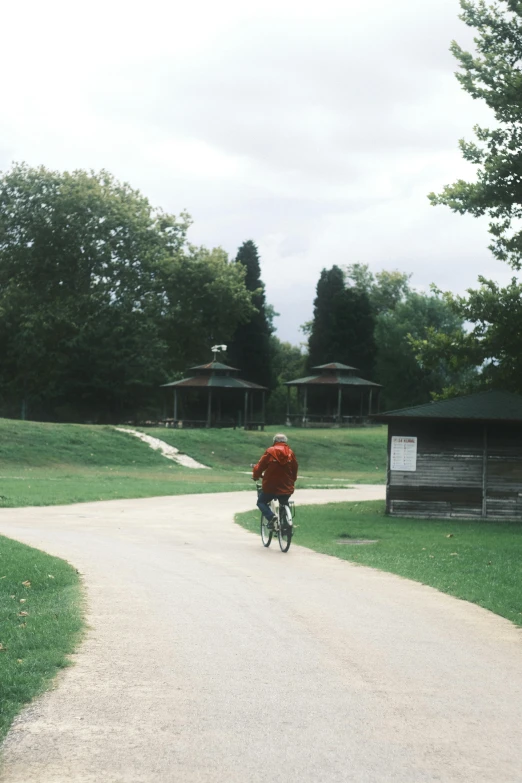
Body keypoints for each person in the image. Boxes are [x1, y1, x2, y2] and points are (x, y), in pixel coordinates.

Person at [252, 433, 298, 530]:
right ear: (285, 442)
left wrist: (256, 476)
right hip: (286, 486)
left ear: (274, 441)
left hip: (270, 486)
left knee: (261, 502)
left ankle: (271, 517)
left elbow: (260, 467)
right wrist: (292, 480)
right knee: (284, 502)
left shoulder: (270, 451)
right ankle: (286, 523)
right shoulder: (290, 453)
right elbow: (295, 469)